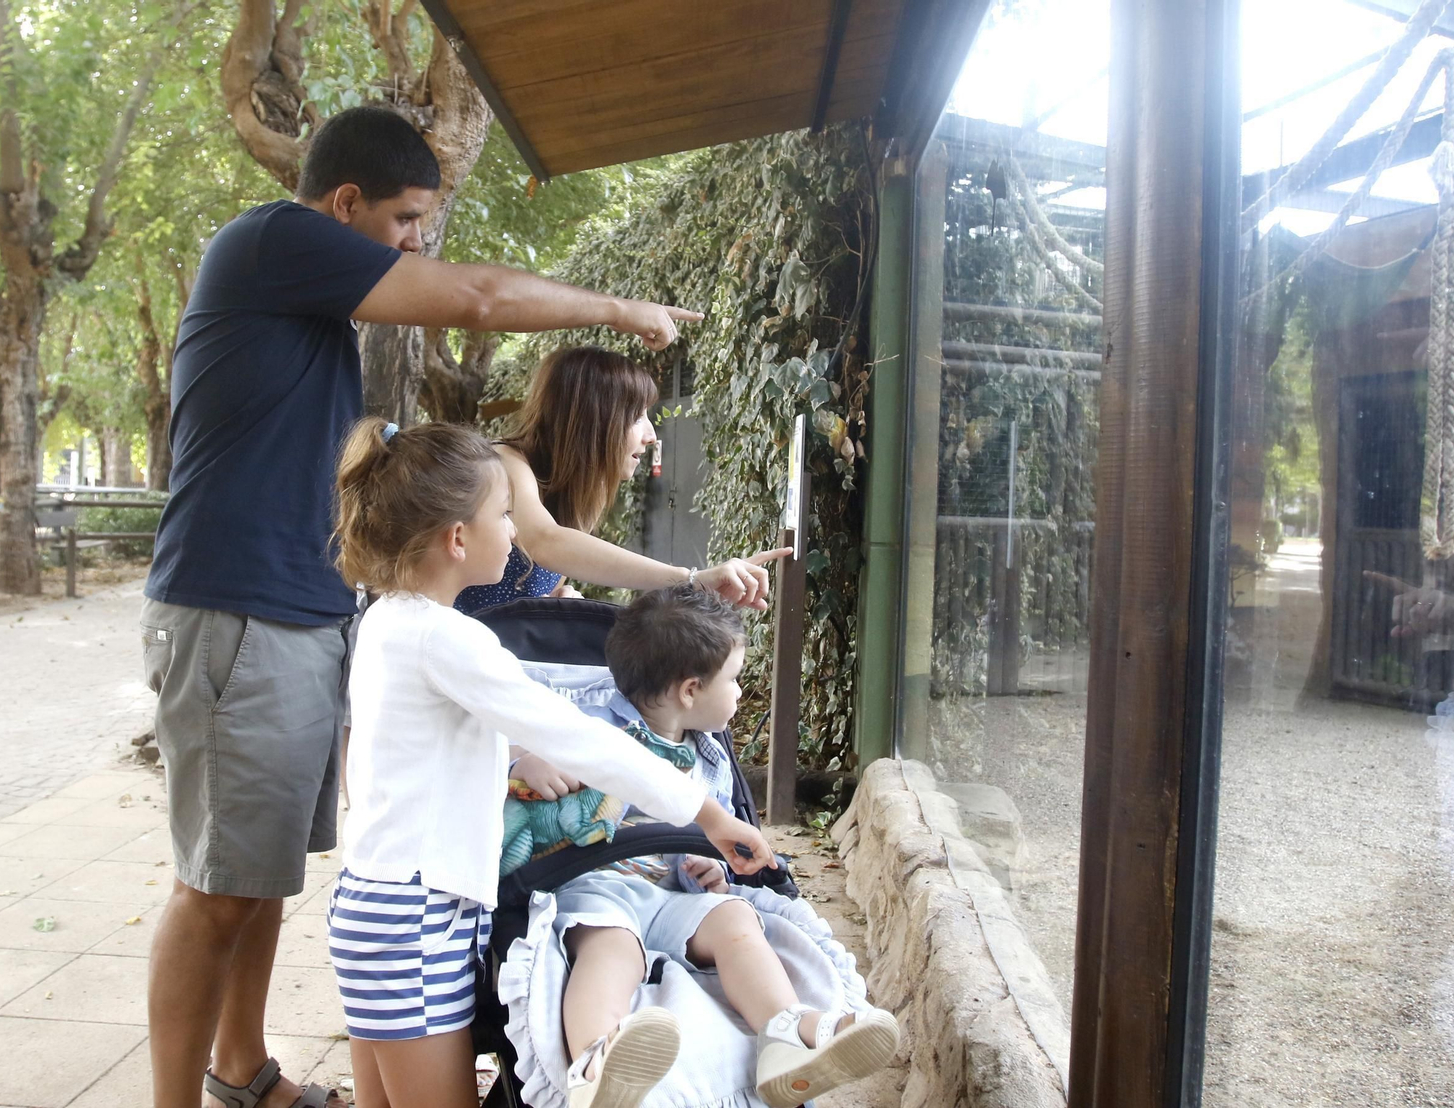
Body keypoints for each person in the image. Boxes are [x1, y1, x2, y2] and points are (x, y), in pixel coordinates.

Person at [140, 105, 705, 1108]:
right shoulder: (274, 241)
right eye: (405, 222)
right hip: (237, 612)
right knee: (216, 884)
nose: (414, 248)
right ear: (346, 204)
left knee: (260, 872)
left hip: (297, 614)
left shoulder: (307, 305)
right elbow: (478, 298)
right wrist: (620, 310)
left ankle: (242, 1071)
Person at [325, 420, 775, 1108]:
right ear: (457, 539)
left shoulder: (390, 621)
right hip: (417, 914)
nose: (515, 531)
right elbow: (576, 736)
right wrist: (708, 812)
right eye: (503, 515)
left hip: (378, 900)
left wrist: (512, 755)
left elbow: (427, 740)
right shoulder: (448, 638)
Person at [508, 586, 898, 1108]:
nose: (741, 692)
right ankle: (597, 1063)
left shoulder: (707, 756)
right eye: (734, 680)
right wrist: (520, 760)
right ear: (690, 689)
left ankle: (788, 1033)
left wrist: (713, 869)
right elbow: (499, 732)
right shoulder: (589, 725)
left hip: (672, 897)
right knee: (611, 948)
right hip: (594, 888)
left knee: (737, 919)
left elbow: (719, 844)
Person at [456, 345, 789, 615]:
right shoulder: (504, 463)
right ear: (592, 419)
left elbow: (545, 570)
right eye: (636, 416)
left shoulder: (582, 490)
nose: (650, 435)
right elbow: (544, 541)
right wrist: (691, 579)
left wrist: (555, 600)